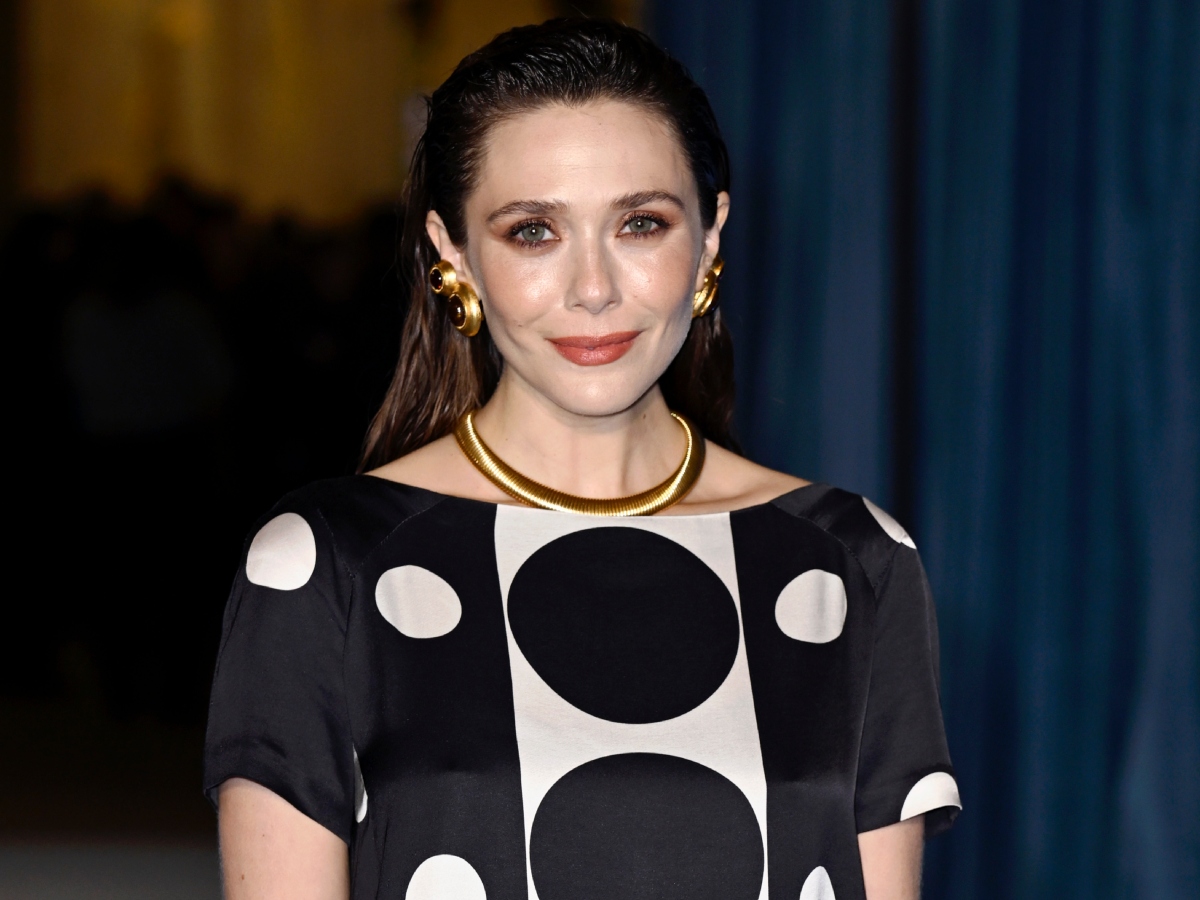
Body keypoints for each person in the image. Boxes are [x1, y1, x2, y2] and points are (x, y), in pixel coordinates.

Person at [204, 18, 960, 900]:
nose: (594, 289)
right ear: (454, 254)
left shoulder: (854, 563)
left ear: (709, 237)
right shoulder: (324, 565)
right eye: (534, 231)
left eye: (641, 224)